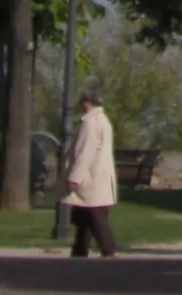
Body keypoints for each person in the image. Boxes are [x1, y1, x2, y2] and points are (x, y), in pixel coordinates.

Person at [64, 86, 118, 258]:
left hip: (91, 176)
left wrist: (74, 177)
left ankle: (108, 248)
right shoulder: (103, 120)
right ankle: (80, 250)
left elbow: (84, 152)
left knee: (94, 214)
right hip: (100, 175)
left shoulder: (89, 123)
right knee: (85, 215)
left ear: (87, 102)